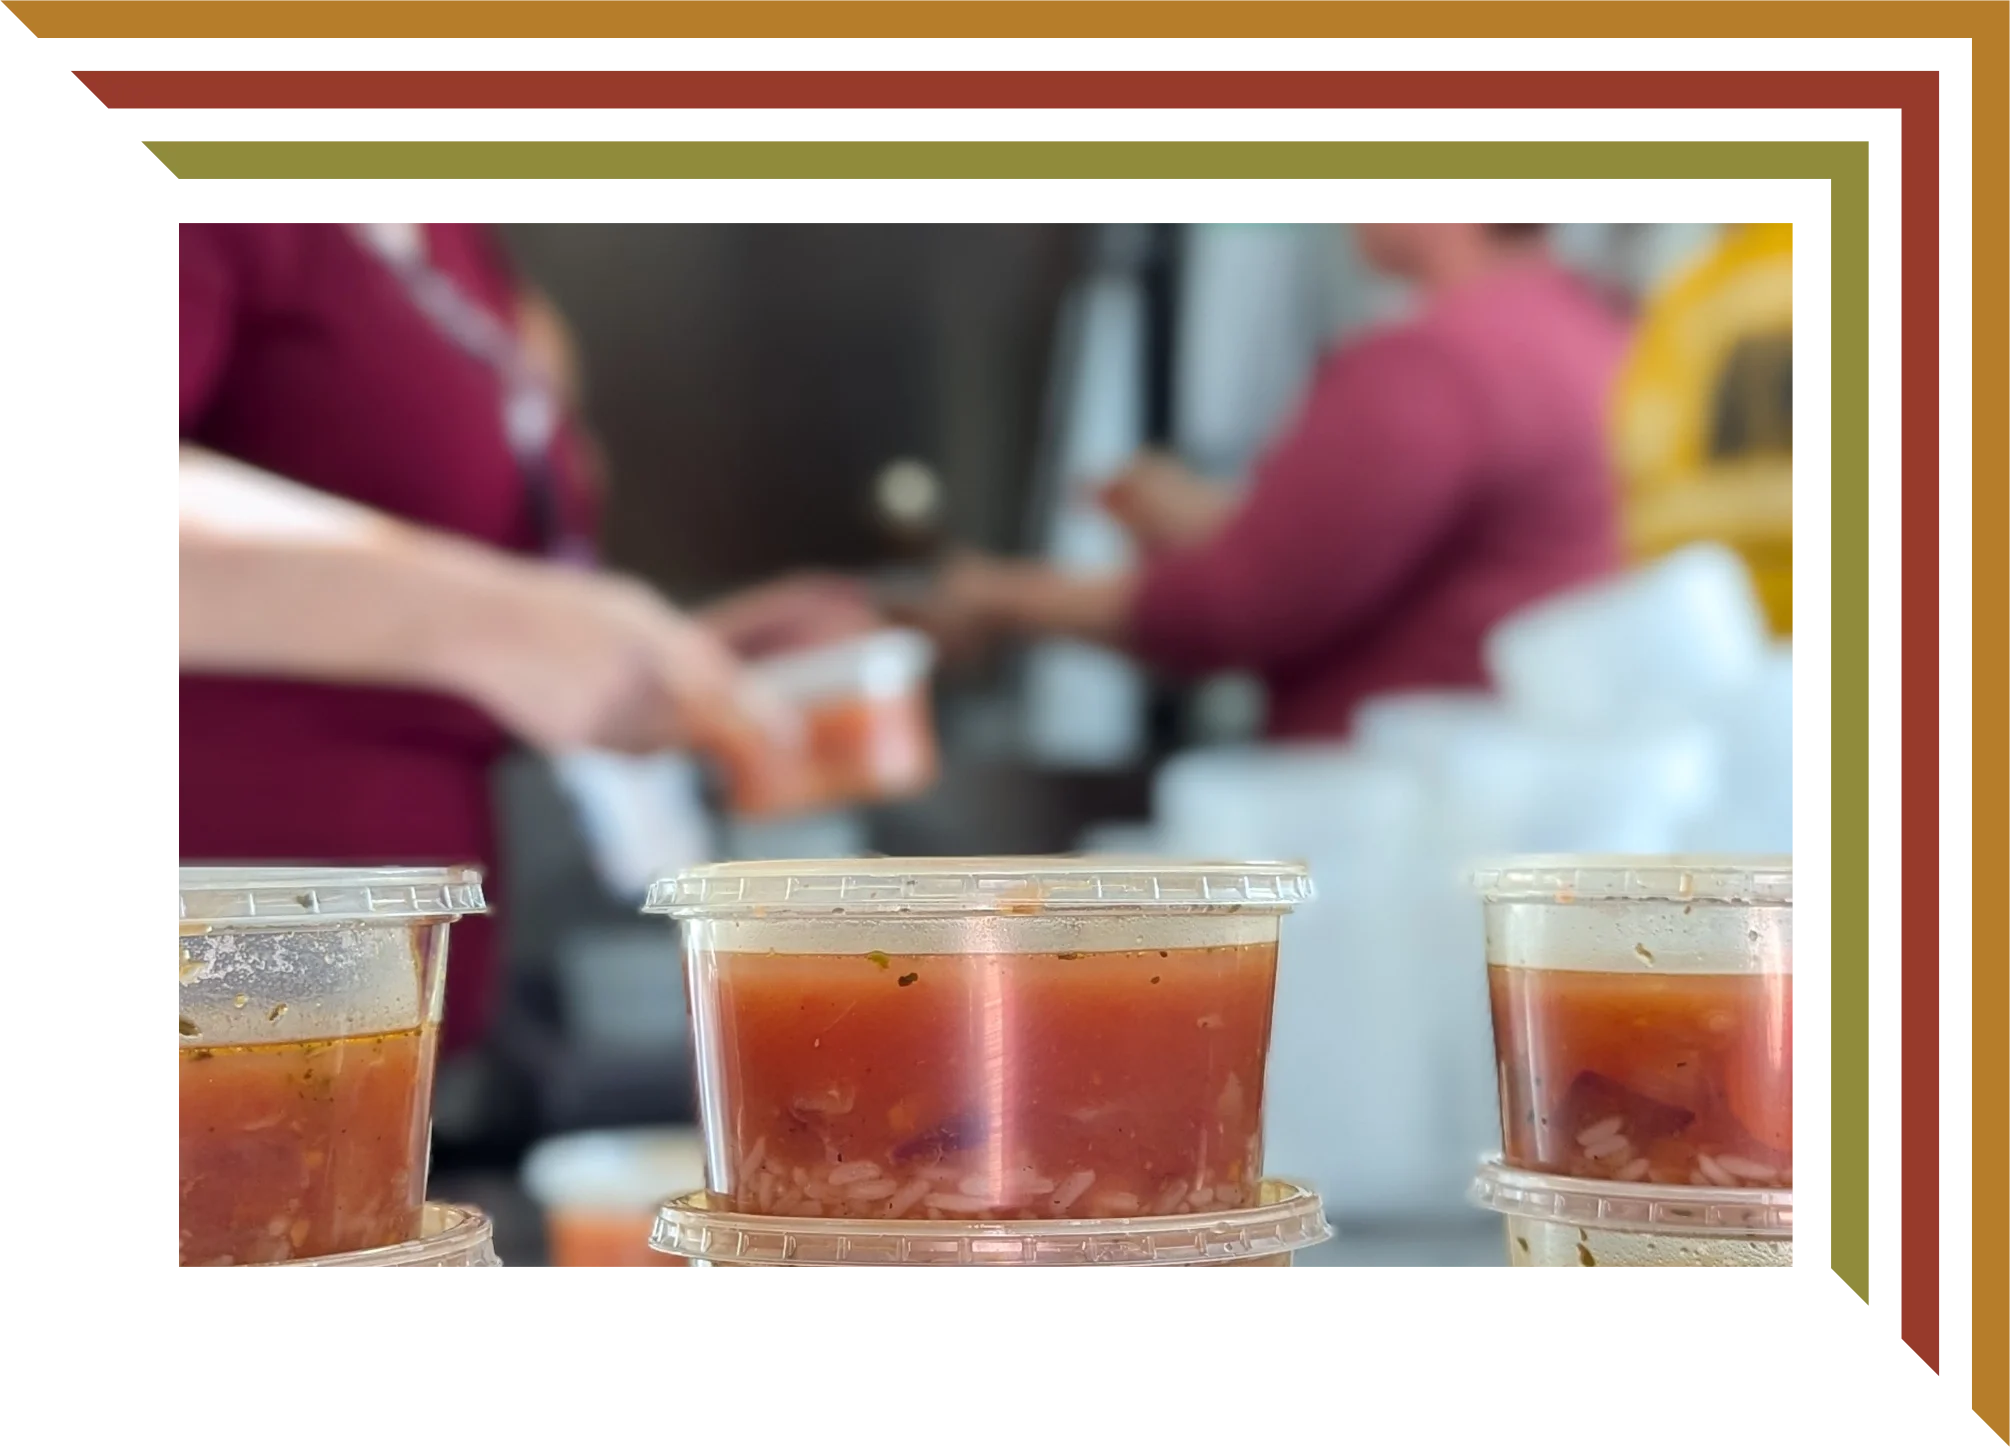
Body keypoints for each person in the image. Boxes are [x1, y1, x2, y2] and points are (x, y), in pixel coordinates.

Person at [176, 218, 879, 1055]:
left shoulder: (450, 234)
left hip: (382, 1014)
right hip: (222, 1014)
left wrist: (667, 659)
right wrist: (500, 623)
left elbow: (417, 606)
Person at [915, 218, 1632, 741]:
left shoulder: (1433, 365)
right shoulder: (1587, 329)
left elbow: (1238, 605)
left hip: (1385, 801)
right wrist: (1227, 518)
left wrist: (990, 595)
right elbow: (1387, 552)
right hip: (1507, 772)